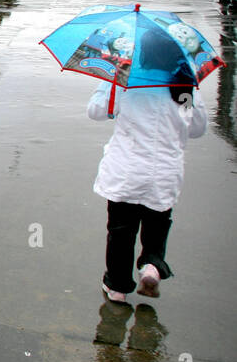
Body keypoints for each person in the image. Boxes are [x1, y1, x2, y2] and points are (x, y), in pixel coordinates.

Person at [87, 29, 207, 303]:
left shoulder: (127, 80)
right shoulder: (184, 85)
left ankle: (117, 288)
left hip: (127, 172)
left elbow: (96, 112)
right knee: (157, 224)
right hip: (164, 174)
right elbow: (197, 129)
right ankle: (152, 265)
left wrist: (110, 82)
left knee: (121, 231)